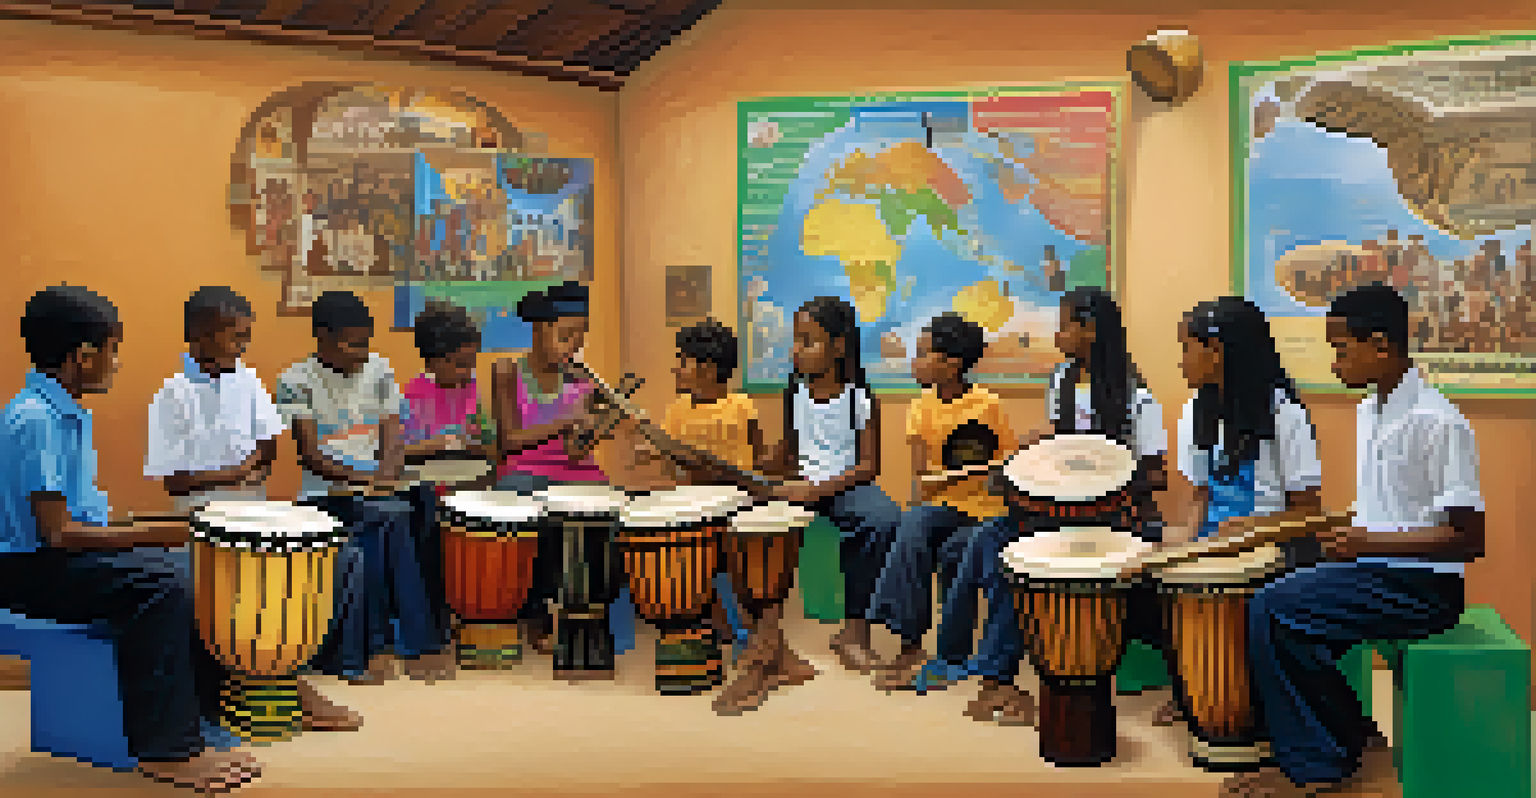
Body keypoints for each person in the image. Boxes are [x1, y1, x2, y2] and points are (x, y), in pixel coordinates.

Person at [0, 286, 280, 792]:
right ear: (83, 357)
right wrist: (166, 530)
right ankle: (167, 750)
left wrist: (153, 533)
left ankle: (198, 716)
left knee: (190, 567)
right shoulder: (37, 419)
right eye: (112, 350)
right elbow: (58, 533)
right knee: (162, 584)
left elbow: (81, 517)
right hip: (27, 570)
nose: (115, 363)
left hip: (54, 558)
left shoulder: (63, 409)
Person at [1222, 283, 1480, 797]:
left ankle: (1318, 767)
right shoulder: (1370, 411)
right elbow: (1376, 511)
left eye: (1341, 349)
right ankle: (1345, 735)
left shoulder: (1439, 422)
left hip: (1425, 589)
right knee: (1279, 602)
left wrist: (1369, 545)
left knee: (1274, 609)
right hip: (1379, 571)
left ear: (1381, 346)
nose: (1335, 363)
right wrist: (1265, 528)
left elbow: (1467, 539)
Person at [921, 286, 1168, 724]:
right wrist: (1035, 456)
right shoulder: (1062, 380)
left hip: (1112, 517)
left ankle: (993, 675)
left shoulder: (1136, 394)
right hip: (1057, 512)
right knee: (985, 542)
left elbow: (1157, 475)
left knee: (1007, 554)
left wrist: (1105, 473)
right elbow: (1059, 447)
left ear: (1089, 330)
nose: (1058, 335)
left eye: (1065, 325)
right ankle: (983, 672)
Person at [144, 285, 363, 728]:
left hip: (254, 512)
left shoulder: (246, 379)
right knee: (251, 583)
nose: (242, 346)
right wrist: (232, 475)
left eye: (246, 337)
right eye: (234, 336)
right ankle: (287, 684)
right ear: (198, 336)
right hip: (202, 519)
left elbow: (267, 447)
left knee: (341, 559)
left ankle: (285, 669)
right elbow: (175, 480)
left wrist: (246, 469)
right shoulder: (173, 395)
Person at [1146, 296, 1324, 727]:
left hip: (1275, 543)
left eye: (1186, 348)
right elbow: (1198, 495)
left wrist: (1255, 528)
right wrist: (1183, 538)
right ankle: (1193, 681)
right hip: (1215, 537)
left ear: (1216, 350)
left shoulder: (1285, 414)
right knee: (1151, 574)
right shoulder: (1195, 410)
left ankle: (1246, 693)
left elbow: (1308, 512)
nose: (1182, 361)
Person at [633, 318, 818, 714]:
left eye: (682, 361)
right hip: (694, 508)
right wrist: (652, 451)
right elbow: (675, 464)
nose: (676, 369)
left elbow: (758, 461)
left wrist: (779, 464)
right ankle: (772, 654)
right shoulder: (677, 410)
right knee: (704, 572)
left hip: (736, 504)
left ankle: (764, 652)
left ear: (707, 367)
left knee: (750, 566)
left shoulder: (740, 406)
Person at [275, 291, 454, 685]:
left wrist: (387, 475)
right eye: (352, 343)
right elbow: (310, 456)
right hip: (325, 495)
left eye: (365, 342)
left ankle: (425, 636)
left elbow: (392, 435)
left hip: (376, 486)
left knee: (422, 504)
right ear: (322, 337)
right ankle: (391, 643)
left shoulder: (379, 370)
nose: (361, 352)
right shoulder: (295, 381)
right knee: (386, 518)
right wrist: (368, 483)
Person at [489, 281, 634, 674]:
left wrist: (604, 423)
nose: (573, 346)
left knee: (612, 513)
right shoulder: (506, 370)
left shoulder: (581, 379)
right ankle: (536, 614)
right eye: (565, 335)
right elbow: (508, 441)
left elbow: (575, 452)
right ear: (539, 329)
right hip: (524, 470)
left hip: (574, 471)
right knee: (524, 505)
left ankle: (593, 617)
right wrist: (567, 419)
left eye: (580, 337)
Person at [867, 312, 1018, 690]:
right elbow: (922, 477)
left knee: (956, 551)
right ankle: (911, 642)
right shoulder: (920, 407)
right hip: (944, 507)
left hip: (985, 511)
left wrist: (972, 475)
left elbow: (1006, 470)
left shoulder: (988, 405)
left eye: (922, 354)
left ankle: (951, 654)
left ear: (951, 364)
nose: (913, 362)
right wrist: (928, 500)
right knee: (913, 522)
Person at [753, 296, 903, 675]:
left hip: (844, 486)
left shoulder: (859, 398)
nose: (797, 349)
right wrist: (763, 463)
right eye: (796, 340)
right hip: (801, 484)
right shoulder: (795, 393)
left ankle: (855, 632)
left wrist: (817, 491)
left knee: (884, 518)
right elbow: (790, 449)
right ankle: (762, 634)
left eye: (808, 340)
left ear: (838, 346)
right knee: (749, 518)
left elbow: (870, 466)